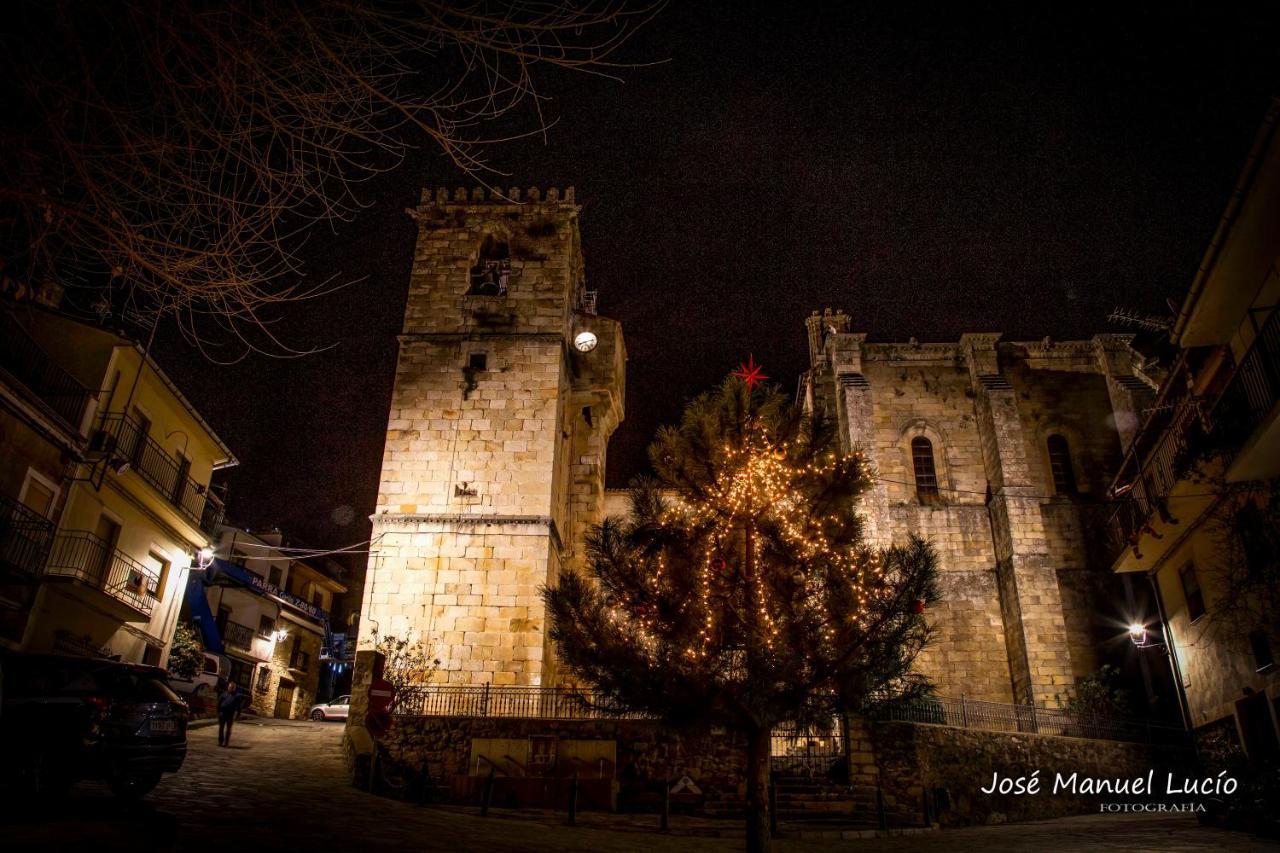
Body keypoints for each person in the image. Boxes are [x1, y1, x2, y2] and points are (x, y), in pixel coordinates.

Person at [217, 681, 242, 747]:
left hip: (230, 714)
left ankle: (226, 743)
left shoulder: (237, 696)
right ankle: (220, 742)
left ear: (234, 688)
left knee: (228, 729)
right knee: (221, 728)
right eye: (229, 687)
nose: (230, 688)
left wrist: (237, 714)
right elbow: (219, 703)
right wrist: (218, 712)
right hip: (222, 713)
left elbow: (239, 706)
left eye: (232, 688)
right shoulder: (224, 694)